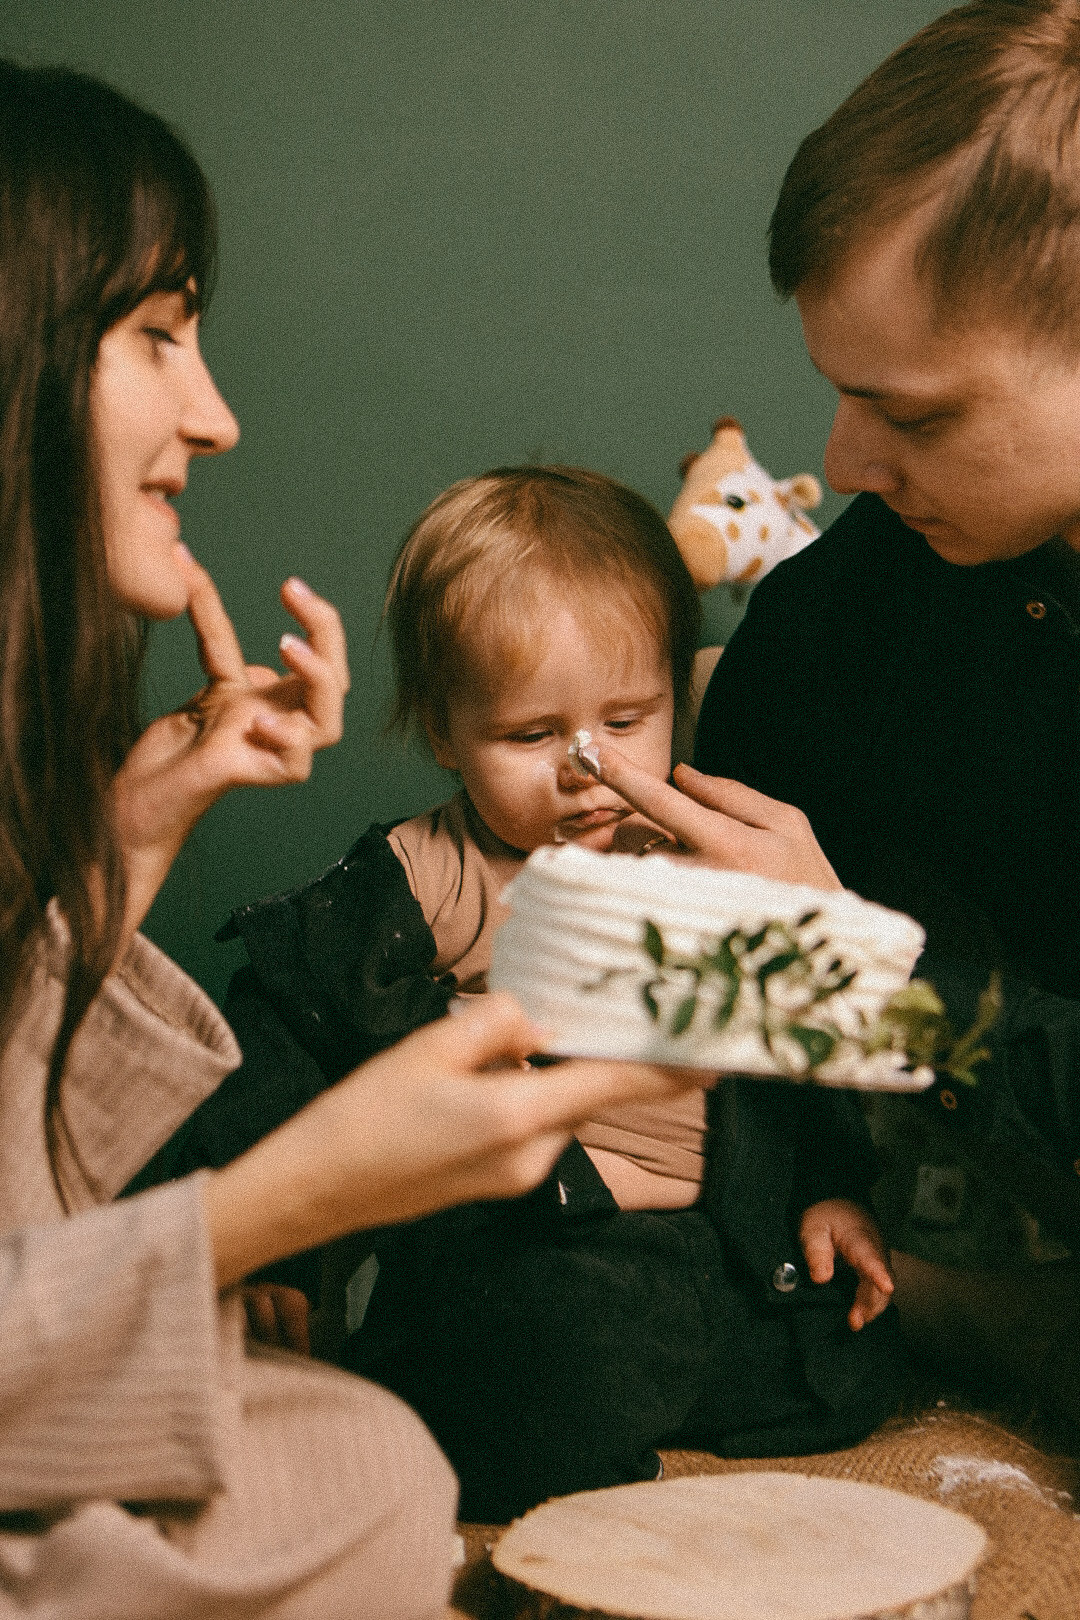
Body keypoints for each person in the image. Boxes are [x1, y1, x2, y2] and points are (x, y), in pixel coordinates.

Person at [0, 61, 709, 1619]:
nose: (216, 415)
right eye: (157, 336)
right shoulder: (401, 889)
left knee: (366, 1465)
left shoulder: (712, 877)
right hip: (491, 1270)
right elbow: (273, 1068)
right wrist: (287, 1212)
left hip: (665, 1269)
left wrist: (128, 840)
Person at [152, 465, 907, 1523]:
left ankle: (671, 1388)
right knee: (542, 1363)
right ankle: (496, 1424)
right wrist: (268, 1235)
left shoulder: (712, 861)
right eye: (530, 735)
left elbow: (789, 1054)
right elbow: (285, 1033)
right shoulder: (429, 880)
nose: (586, 767)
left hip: (721, 1242)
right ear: (445, 733)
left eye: (627, 719)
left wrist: (835, 1187)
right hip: (536, 1243)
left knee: (846, 1357)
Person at [566, 0, 1080, 1420]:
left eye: (915, 417)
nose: (846, 460)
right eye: (839, 396)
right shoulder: (832, 630)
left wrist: (856, 970)